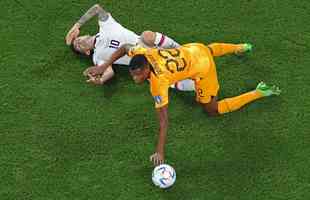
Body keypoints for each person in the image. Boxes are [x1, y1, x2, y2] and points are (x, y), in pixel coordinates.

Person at [84, 42, 281, 166]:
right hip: (193, 48)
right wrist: (103, 66)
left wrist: (160, 150)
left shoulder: (158, 84)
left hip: (203, 70)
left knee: (211, 110)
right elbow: (125, 47)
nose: (135, 78)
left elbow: (164, 121)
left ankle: (258, 92)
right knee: (208, 49)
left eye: (137, 75)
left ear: (146, 70)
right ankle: (240, 47)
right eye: (132, 74)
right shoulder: (143, 52)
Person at [65, 4, 195, 91]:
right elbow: (109, 72)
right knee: (167, 78)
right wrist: (101, 80)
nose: (78, 42)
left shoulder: (106, 26)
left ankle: (183, 50)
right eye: (78, 47)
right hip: (146, 63)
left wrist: (76, 25)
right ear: (87, 52)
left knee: (147, 35)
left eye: (78, 40)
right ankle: (196, 86)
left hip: (147, 45)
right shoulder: (97, 56)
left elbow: (97, 8)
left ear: (84, 34)